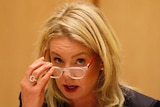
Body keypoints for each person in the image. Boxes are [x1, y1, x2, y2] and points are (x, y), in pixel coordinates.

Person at [19, 2, 160, 107]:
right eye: (58, 59)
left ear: (102, 60)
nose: (66, 75)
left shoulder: (145, 106)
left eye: (79, 61)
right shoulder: (35, 100)